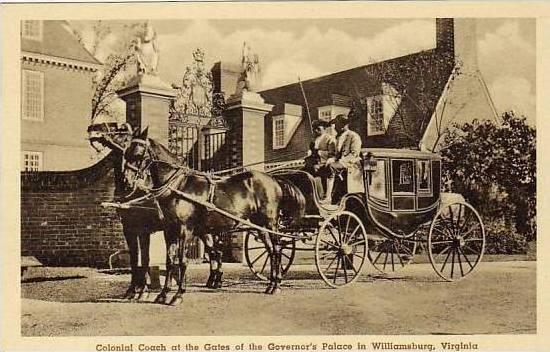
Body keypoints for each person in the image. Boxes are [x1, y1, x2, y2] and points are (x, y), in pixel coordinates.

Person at [322, 114, 362, 204]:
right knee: (323, 168)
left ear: (343, 125)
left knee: (331, 167)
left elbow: (354, 154)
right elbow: (337, 154)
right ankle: (325, 194)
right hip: (340, 163)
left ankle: (328, 197)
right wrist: (332, 158)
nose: (335, 127)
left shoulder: (354, 136)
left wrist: (340, 161)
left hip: (352, 165)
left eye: (336, 124)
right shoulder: (338, 137)